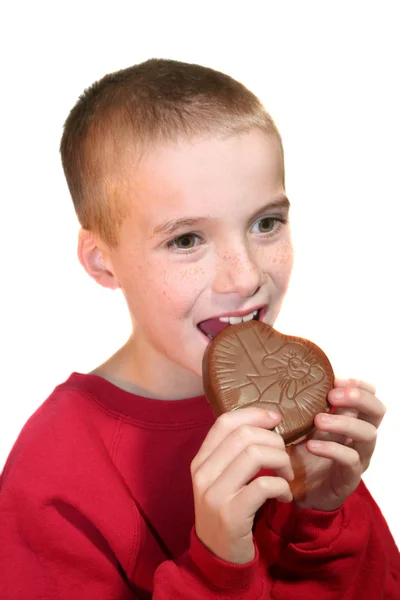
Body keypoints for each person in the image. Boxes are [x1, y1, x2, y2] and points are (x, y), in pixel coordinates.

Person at [0, 58, 398, 600]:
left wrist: (317, 518)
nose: (246, 276)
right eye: (186, 240)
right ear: (101, 262)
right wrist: (218, 566)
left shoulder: (306, 419)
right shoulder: (52, 475)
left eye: (266, 223)